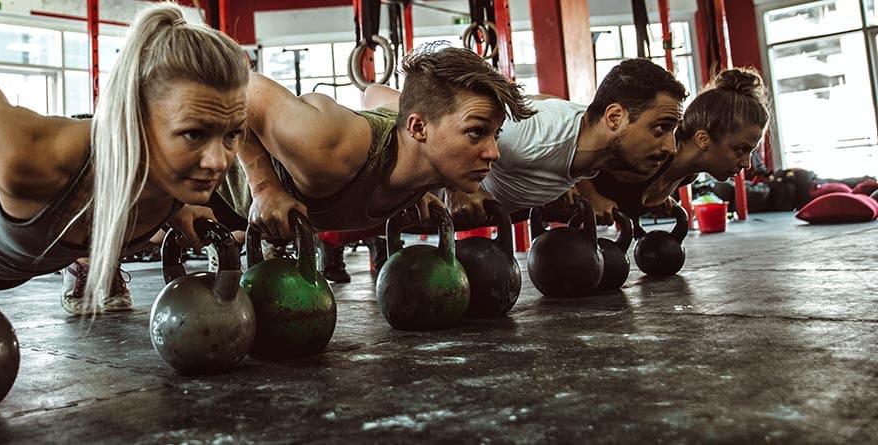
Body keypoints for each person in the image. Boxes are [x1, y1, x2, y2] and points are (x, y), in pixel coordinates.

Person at [0, 4, 250, 338]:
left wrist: (178, 211)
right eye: (194, 134)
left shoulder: (180, 171)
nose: (218, 161)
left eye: (232, 134)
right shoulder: (26, 154)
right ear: (135, 120)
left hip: (12, 266)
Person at [208, 44, 535, 281]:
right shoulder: (325, 149)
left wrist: (447, 186)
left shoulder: (424, 143)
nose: (494, 153)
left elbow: (375, 93)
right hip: (214, 192)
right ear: (418, 128)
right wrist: (264, 188)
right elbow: (240, 87)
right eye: (476, 133)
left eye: (495, 134)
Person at [364, 58, 689, 225]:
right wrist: (456, 188)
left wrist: (578, 192)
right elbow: (375, 96)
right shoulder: (529, 136)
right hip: (379, 190)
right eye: (661, 128)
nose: (670, 147)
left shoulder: (597, 148)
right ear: (615, 118)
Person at [577, 68, 771, 222]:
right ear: (703, 139)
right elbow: (575, 154)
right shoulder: (648, 155)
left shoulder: (688, 175)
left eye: (750, 152)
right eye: (741, 150)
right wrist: (591, 196)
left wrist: (657, 199)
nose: (747, 164)